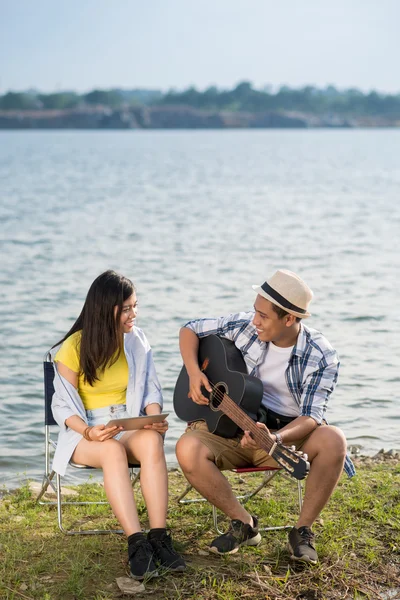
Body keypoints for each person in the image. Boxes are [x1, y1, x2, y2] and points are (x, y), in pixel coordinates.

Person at [176, 269, 355, 564]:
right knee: (186, 447)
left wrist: (275, 437)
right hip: (230, 429)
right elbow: (190, 329)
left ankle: (302, 531)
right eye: (255, 311)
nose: (255, 320)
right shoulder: (246, 325)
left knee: (334, 439)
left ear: (289, 319)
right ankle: (243, 523)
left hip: (284, 437)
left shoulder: (321, 356)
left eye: (263, 316)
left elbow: (312, 416)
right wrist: (195, 374)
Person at [51, 270, 185, 579]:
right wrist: (88, 431)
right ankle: (136, 543)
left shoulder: (135, 339)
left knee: (151, 442)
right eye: (126, 308)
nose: (133, 314)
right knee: (111, 451)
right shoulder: (72, 347)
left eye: (135, 306)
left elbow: (151, 387)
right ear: (105, 308)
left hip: (127, 423)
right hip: (85, 432)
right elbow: (61, 406)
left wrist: (152, 418)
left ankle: (159, 537)